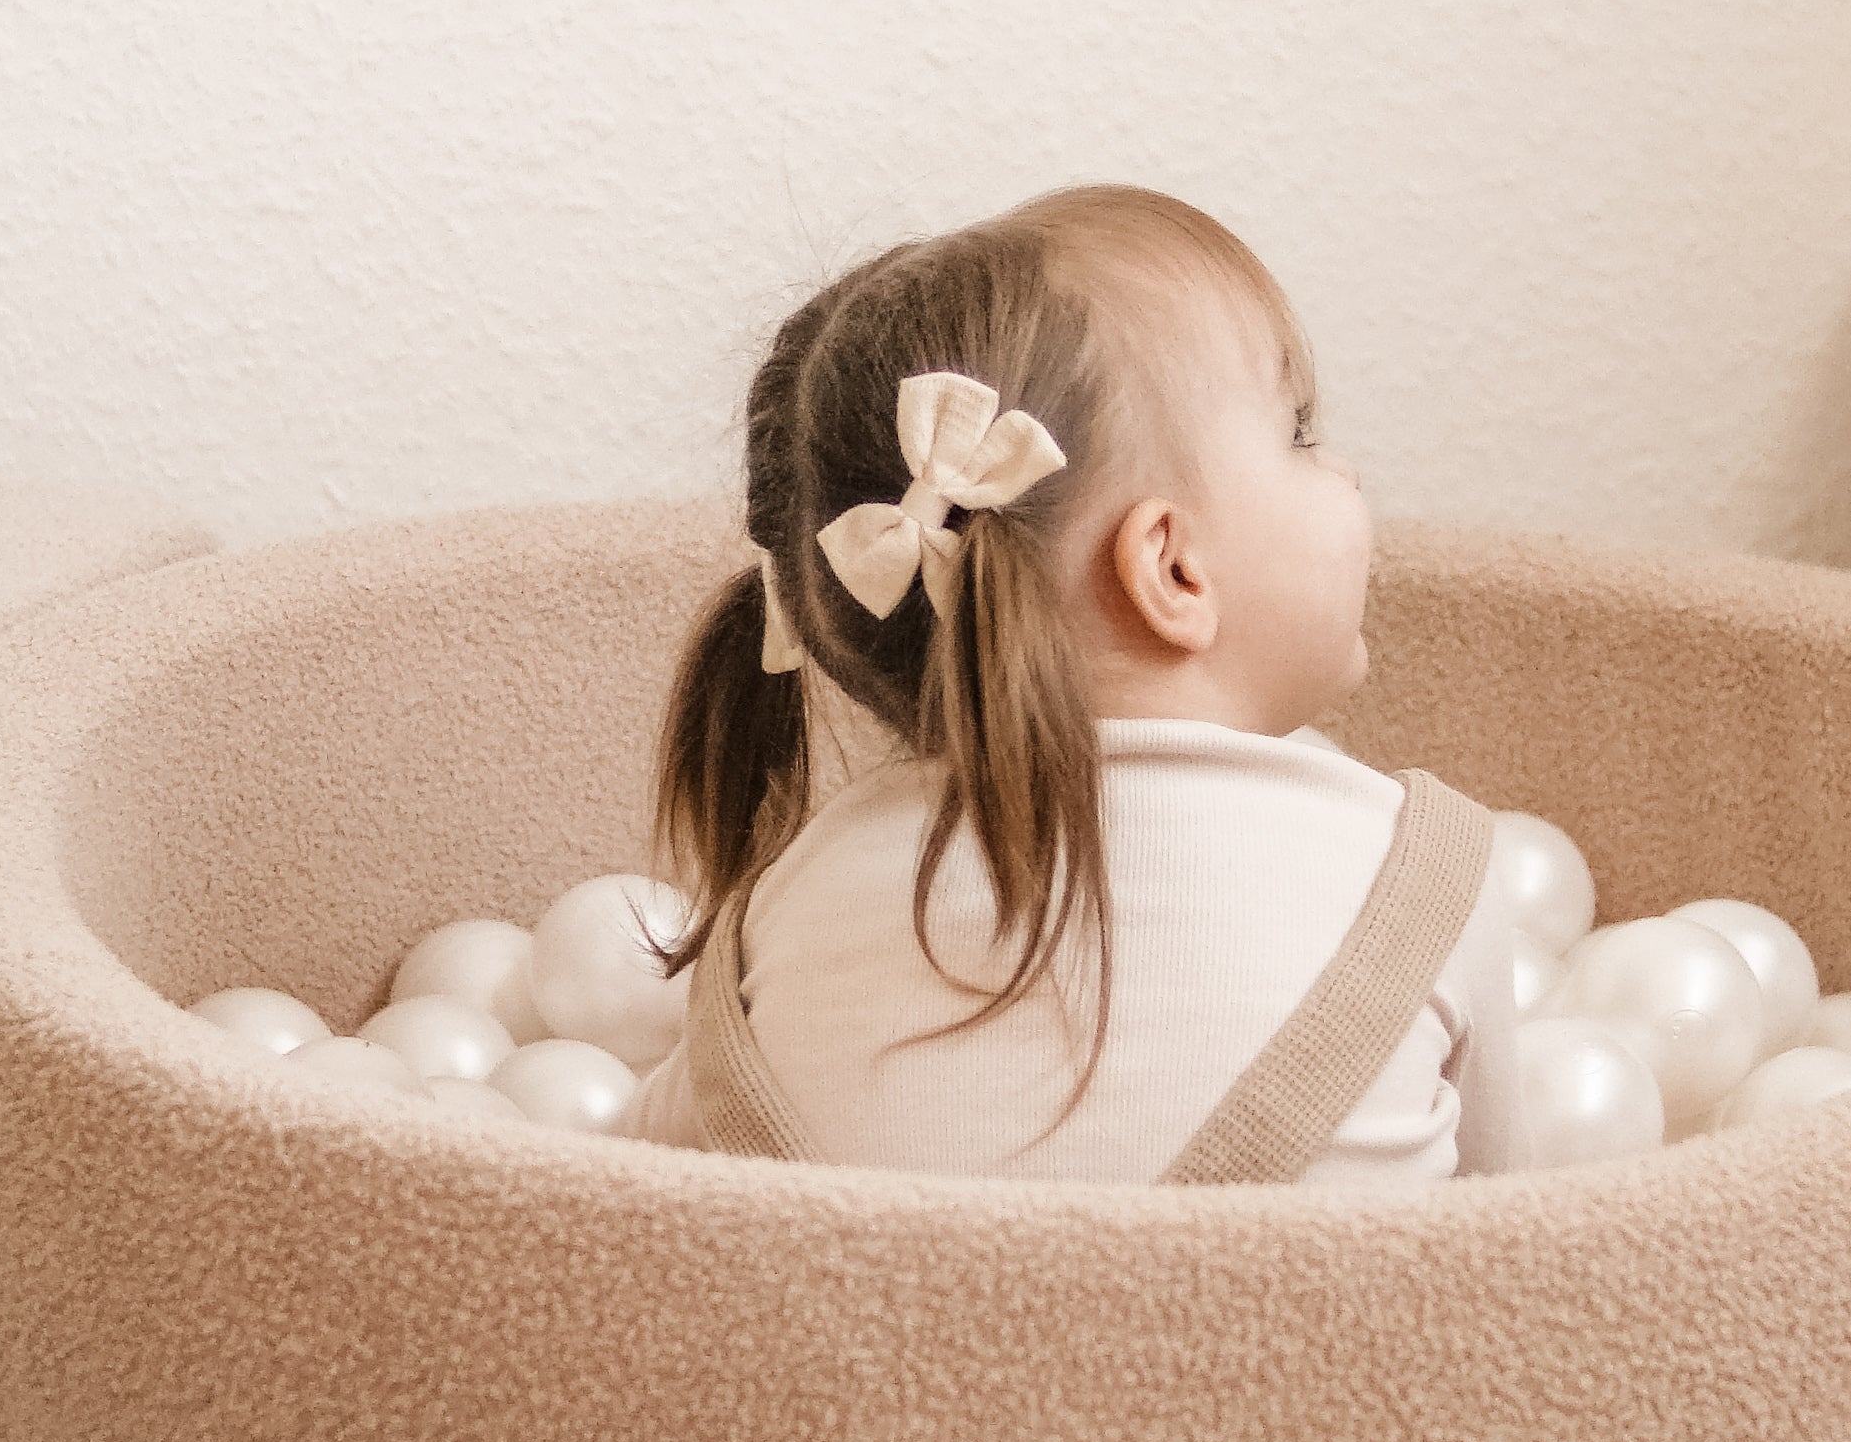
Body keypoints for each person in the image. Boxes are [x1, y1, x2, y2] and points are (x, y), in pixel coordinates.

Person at [626, 185, 1523, 1187]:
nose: (1346, 470)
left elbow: (636, 1211)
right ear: (1172, 569)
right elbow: (1522, 1239)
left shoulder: (781, 917)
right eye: (1302, 431)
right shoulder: (1423, 876)